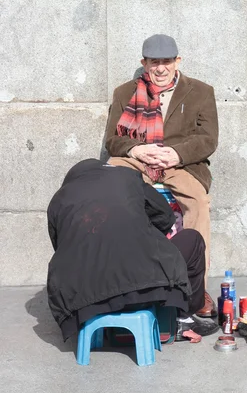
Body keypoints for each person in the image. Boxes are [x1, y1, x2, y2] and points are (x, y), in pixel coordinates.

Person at [105, 34, 218, 318]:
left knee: (198, 203)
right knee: (111, 188)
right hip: (139, 159)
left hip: (181, 164)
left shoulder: (201, 92)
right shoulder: (123, 93)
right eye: (154, 62)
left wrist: (176, 154)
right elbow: (112, 140)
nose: (160, 69)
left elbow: (208, 139)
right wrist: (137, 150)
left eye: (166, 62)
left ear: (177, 61)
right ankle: (120, 281)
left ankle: (195, 287)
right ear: (144, 63)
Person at [47, 159, 219, 342]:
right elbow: (165, 217)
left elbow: (61, 246)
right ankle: (183, 318)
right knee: (192, 239)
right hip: (146, 289)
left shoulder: (58, 200)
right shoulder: (127, 177)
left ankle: (98, 326)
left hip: (83, 304)